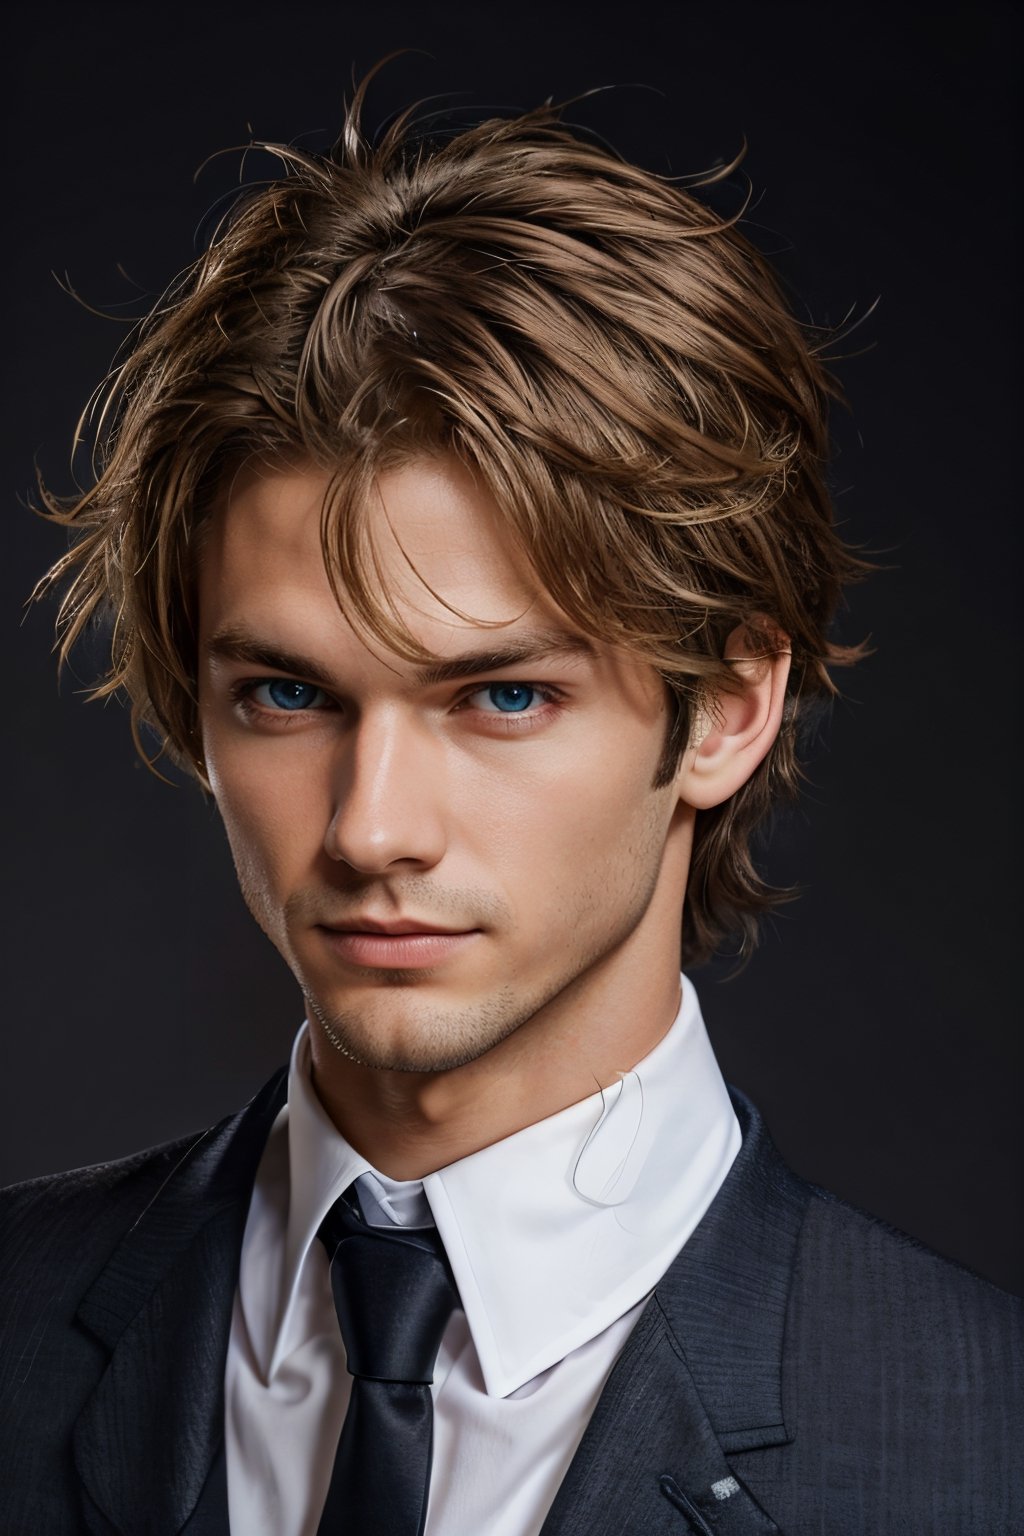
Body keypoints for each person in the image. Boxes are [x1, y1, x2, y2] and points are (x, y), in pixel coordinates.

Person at [1, 75, 1020, 1536]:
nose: (369, 828)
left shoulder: (979, 1451)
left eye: (503, 697)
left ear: (729, 707)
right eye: (288, 696)